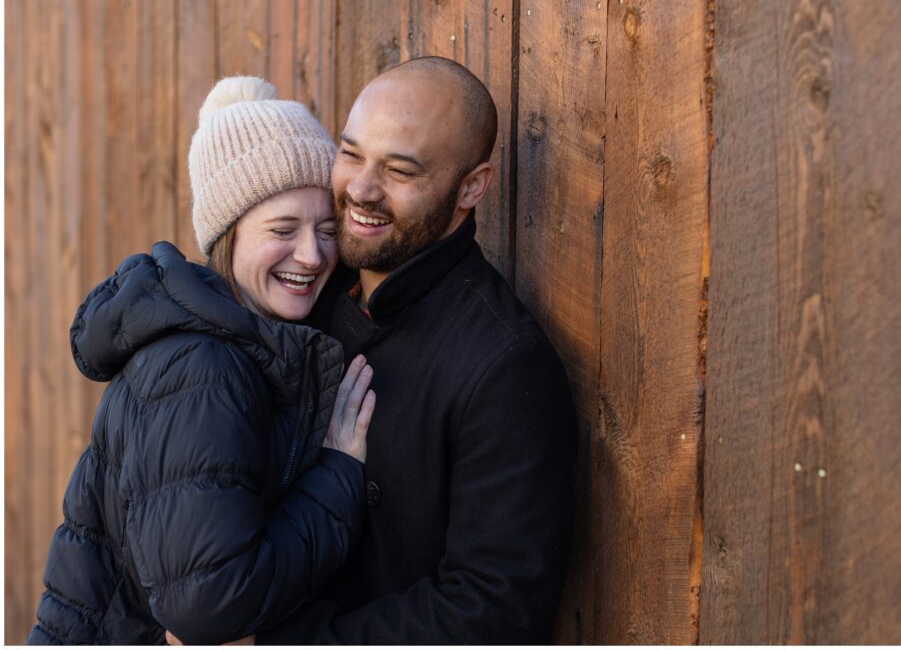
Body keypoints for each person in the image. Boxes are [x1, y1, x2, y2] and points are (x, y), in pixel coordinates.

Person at [28, 77, 375, 645]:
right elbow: (210, 603)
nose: (312, 255)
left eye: (327, 230)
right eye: (283, 230)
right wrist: (338, 475)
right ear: (227, 237)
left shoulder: (245, 340)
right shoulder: (204, 368)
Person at [256, 56, 579, 643]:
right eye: (351, 153)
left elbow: (491, 610)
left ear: (471, 187)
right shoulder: (306, 291)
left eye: (400, 171)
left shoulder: (504, 366)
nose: (360, 189)